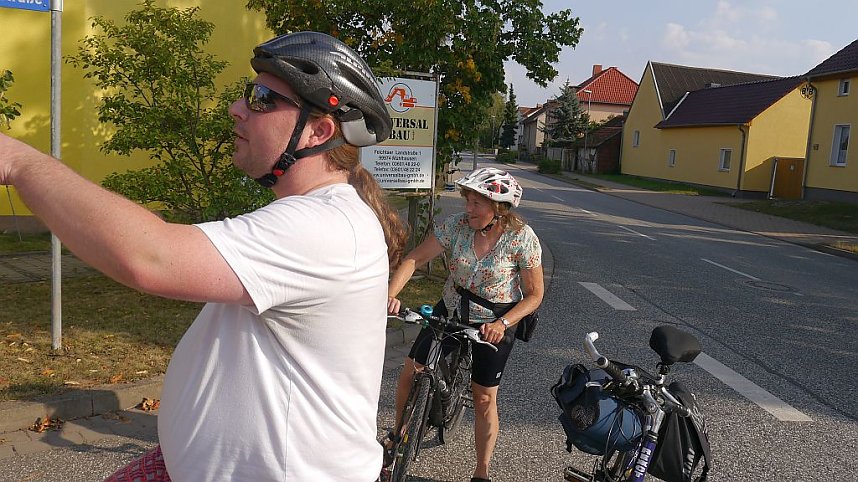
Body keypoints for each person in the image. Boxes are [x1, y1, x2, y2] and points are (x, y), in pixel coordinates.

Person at [0, 31, 407, 481]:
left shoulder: (324, 227)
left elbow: (150, 257)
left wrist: (20, 162)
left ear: (319, 131)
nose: (237, 108)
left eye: (261, 99)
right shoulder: (316, 215)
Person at [386, 167, 545, 482]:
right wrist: (390, 295)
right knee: (412, 370)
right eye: (467, 201)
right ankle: (397, 433)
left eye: (476, 203)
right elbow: (415, 259)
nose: (468, 209)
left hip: (495, 321)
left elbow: (535, 295)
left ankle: (482, 470)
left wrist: (503, 323)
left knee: (484, 397)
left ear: (498, 208)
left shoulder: (521, 238)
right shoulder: (456, 226)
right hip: (452, 309)